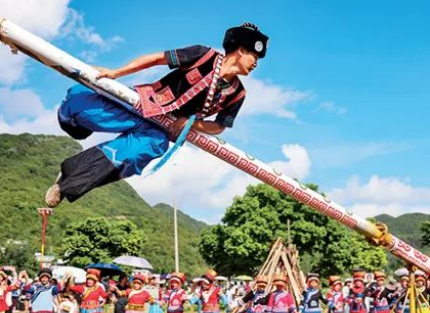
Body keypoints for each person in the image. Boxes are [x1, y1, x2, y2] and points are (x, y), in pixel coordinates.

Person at [45, 23, 268, 207]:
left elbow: (219, 126)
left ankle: (68, 181)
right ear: (241, 50)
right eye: (255, 56)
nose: (256, 63)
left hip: (160, 129)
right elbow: (157, 59)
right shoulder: (204, 55)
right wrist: (117, 72)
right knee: (81, 101)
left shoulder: (237, 93)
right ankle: (71, 121)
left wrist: (190, 124)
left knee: (136, 153)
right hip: (143, 104)